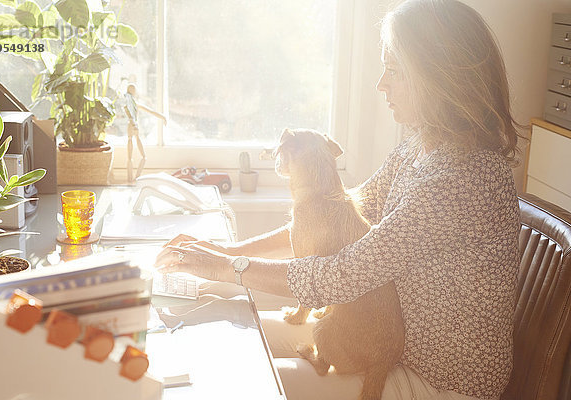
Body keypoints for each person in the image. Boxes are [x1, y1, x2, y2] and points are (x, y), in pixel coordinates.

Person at [156, 0, 522, 398]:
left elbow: (341, 275)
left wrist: (226, 266)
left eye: (394, 70)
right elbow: (324, 219)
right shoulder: (421, 145)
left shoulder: (462, 179)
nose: (382, 84)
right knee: (230, 331)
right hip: (391, 347)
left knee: (242, 383)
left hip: (442, 383)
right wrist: (229, 251)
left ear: (439, 79)